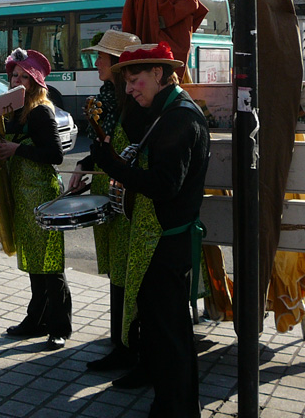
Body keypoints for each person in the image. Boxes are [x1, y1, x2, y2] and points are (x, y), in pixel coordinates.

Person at [92, 42, 209, 418]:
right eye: (126, 81)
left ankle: (177, 409)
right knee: (160, 334)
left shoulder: (179, 118)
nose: (128, 89)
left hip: (167, 244)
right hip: (158, 241)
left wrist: (113, 166)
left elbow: (163, 185)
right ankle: (167, 403)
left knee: (171, 336)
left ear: (159, 73)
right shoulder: (166, 111)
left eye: (135, 80)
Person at [68, 30, 152, 384]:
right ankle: (121, 344)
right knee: (118, 272)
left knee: (131, 274)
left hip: (132, 201)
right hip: (113, 194)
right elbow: (106, 147)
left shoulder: (133, 104)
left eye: (101, 57)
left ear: (118, 65)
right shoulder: (109, 96)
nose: (96, 61)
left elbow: (133, 154)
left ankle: (134, 351)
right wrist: (88, 163)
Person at [0, 48, 71, 350]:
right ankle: (36, 320)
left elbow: (55, 154)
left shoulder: (41, 111)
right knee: (34, 263)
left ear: (36, 83)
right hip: (24, 194)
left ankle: (59, 326)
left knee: (50, 265)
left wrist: (17, 150)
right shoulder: (15, 109)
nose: (16, 79)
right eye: (14, 74)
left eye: (24, 76)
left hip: (41, 193)